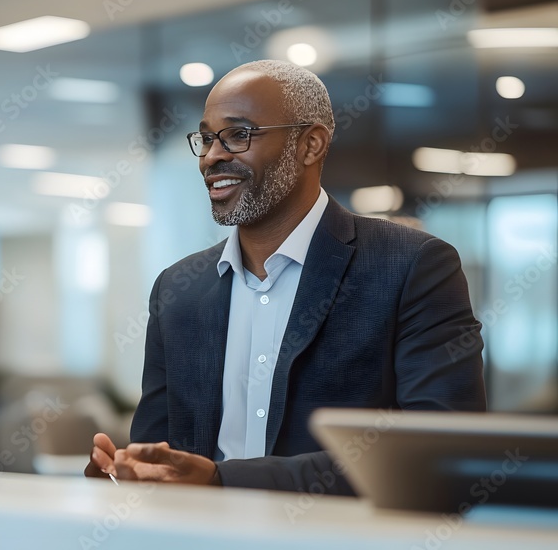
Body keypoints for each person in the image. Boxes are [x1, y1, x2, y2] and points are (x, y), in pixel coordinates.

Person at [85, 60, 485, 494]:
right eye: (205, 138)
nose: (212, 156)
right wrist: (125, 473)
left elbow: (438, 455)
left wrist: (224, 480)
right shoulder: (178, 290)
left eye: (238, 135)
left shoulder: (412, 267)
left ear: (310, 145)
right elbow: (158, 455)